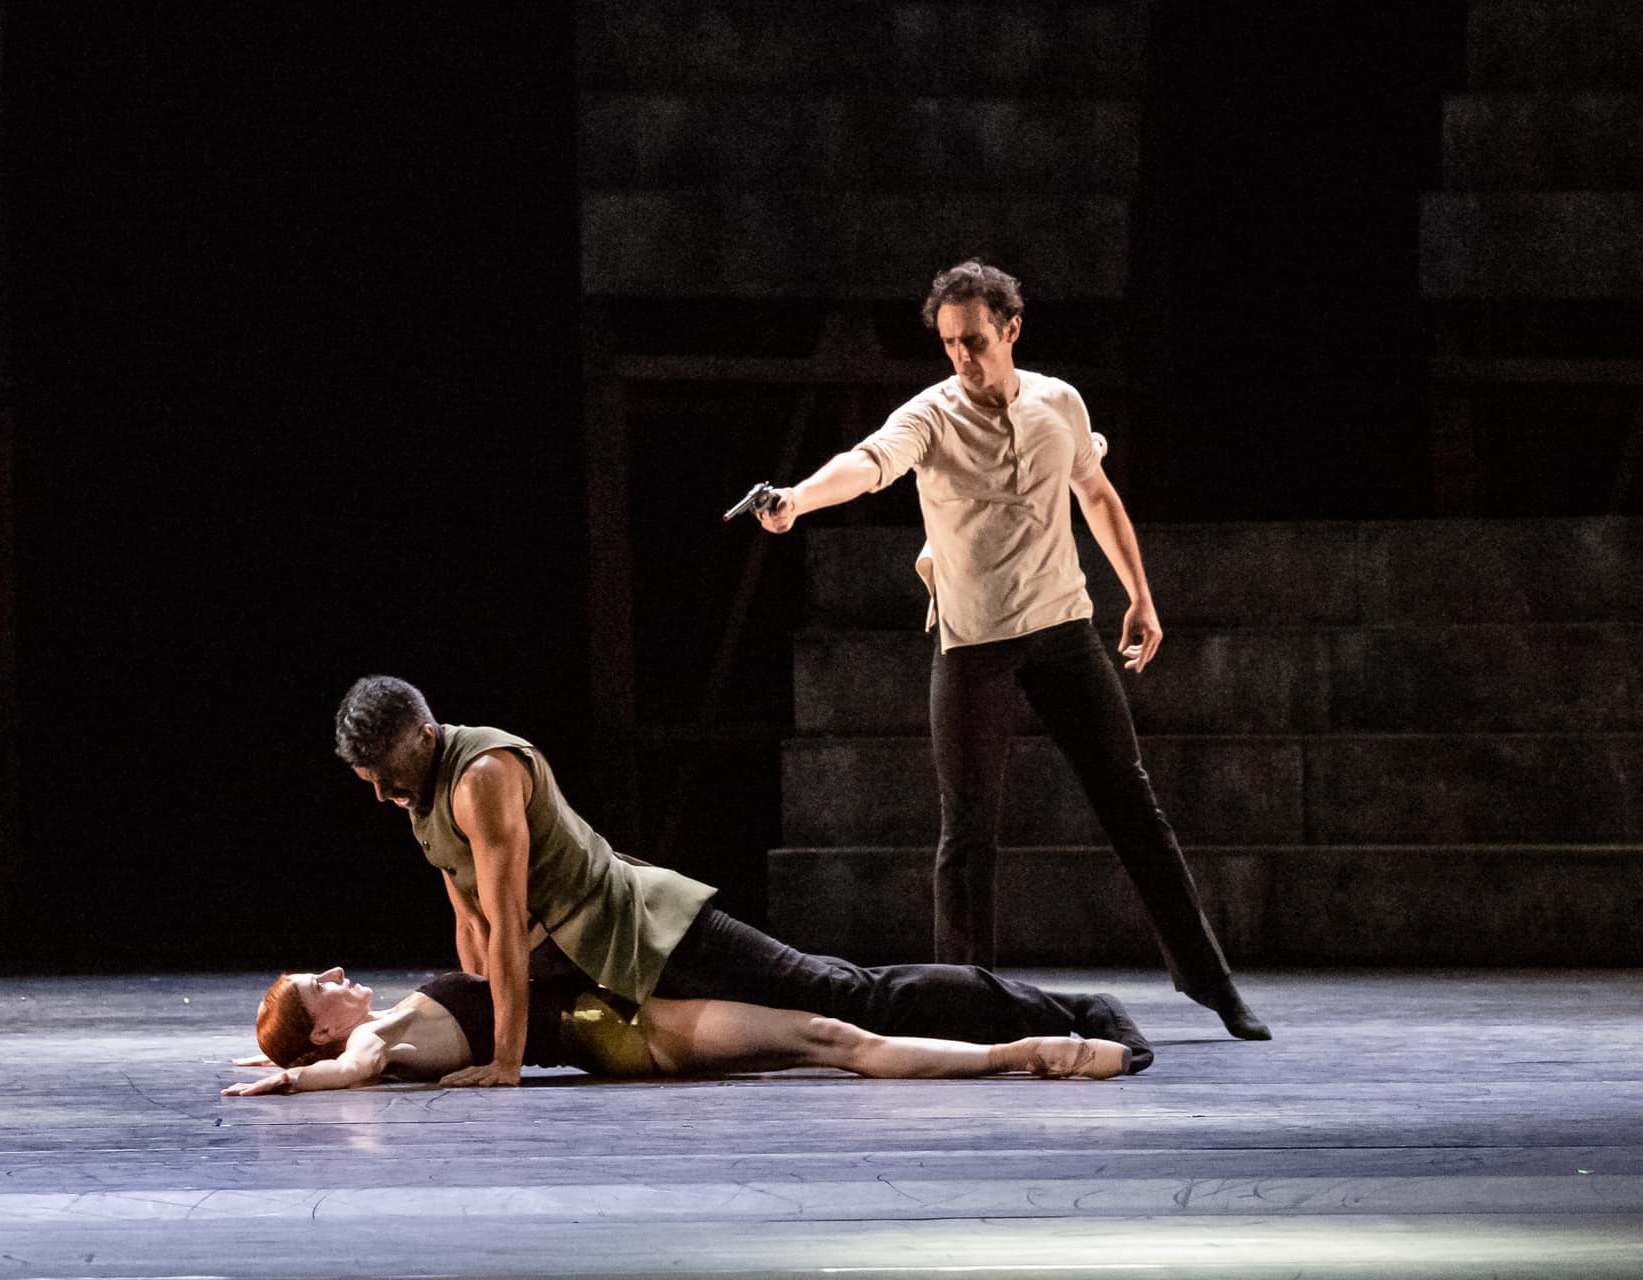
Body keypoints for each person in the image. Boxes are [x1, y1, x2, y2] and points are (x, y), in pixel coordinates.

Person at [753, 259, 1269, 1041]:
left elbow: (1095, 492)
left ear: (1011, 330)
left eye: (976, 340)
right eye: (950, 343)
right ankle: (965, 1006)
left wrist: (1140, 591)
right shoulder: (929, 415)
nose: (962, 356)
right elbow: (867, 464)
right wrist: (797, 498)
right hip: (974, 647)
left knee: (1133, 804)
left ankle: (1212, 982)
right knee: (967, 833)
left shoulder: (1059, 403)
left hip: (1063, 631)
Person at [334, 674, 1153, 1087]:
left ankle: (1082, 1014)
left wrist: (506, 1057)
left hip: (650, 929)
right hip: (610, 968)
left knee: (846, 995)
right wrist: (471, 1001)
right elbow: (472, 921)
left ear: (427, 734)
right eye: (365, 777)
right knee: (823, 1025)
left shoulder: (483, 773)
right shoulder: (420, 798)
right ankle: (1062, 1023)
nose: (376, 791)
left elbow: (508, 919)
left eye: (383, 769)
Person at [221, 966, 1135, 1094]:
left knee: (828, 1035)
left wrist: (271, 1047)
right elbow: (345, 1073)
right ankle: (1034, 1052)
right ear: (319, 1032)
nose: (338, 977)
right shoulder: (370, 1048)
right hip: (615, 1030)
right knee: (829, 1037)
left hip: (611, 1018)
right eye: (322, 986)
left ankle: (1032, 1049)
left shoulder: (378, 1024)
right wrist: (292, 1078)